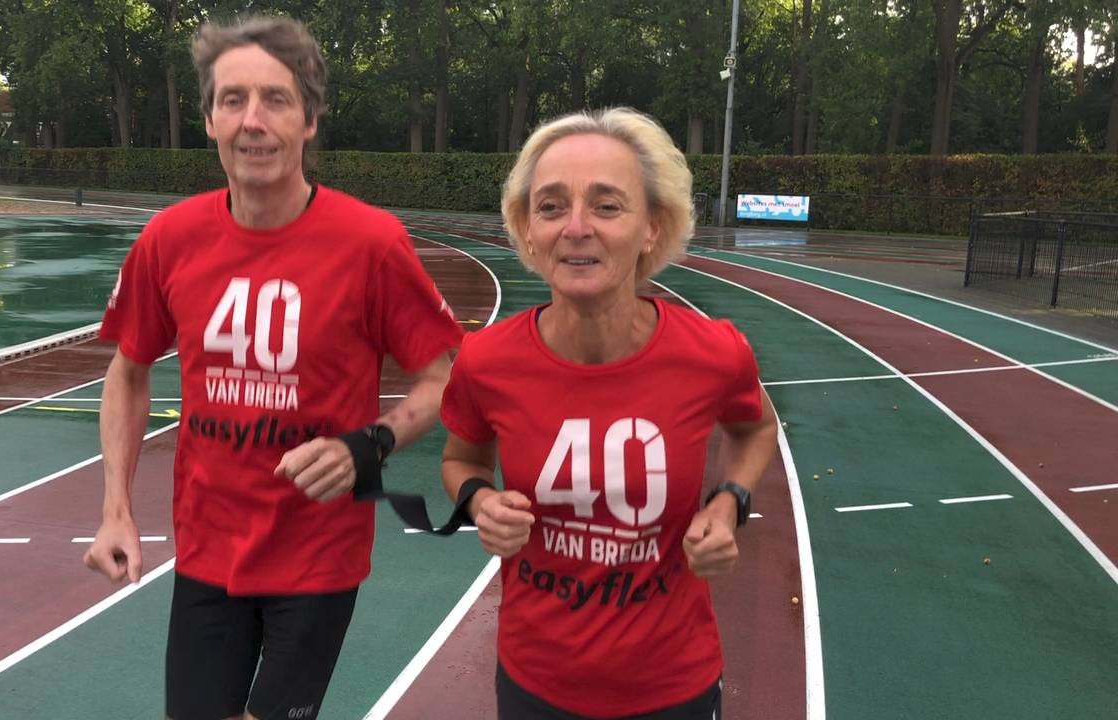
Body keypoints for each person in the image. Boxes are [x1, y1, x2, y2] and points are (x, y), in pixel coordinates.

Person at [82, 15, 463, 720]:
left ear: (309, 120)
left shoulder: (371, 244)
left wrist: (368, 446)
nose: (253, 121)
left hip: (318, 556)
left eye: (276, 100)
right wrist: (115, 512)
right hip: (207, 551)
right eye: (233, 100)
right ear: (208, 120)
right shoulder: (169, 239)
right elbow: (128, 372)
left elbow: (445, 379)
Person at [439, 107, 779, 719]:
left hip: (673, 687)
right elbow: (461, 458)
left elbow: (756, 428)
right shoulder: (486, 359)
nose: (575, 227)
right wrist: (479, 502)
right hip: (534, 682)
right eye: (550, 206)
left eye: (606, 205)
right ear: (528, 230)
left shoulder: (714, 352)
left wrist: (729, 501)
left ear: (652, 226)